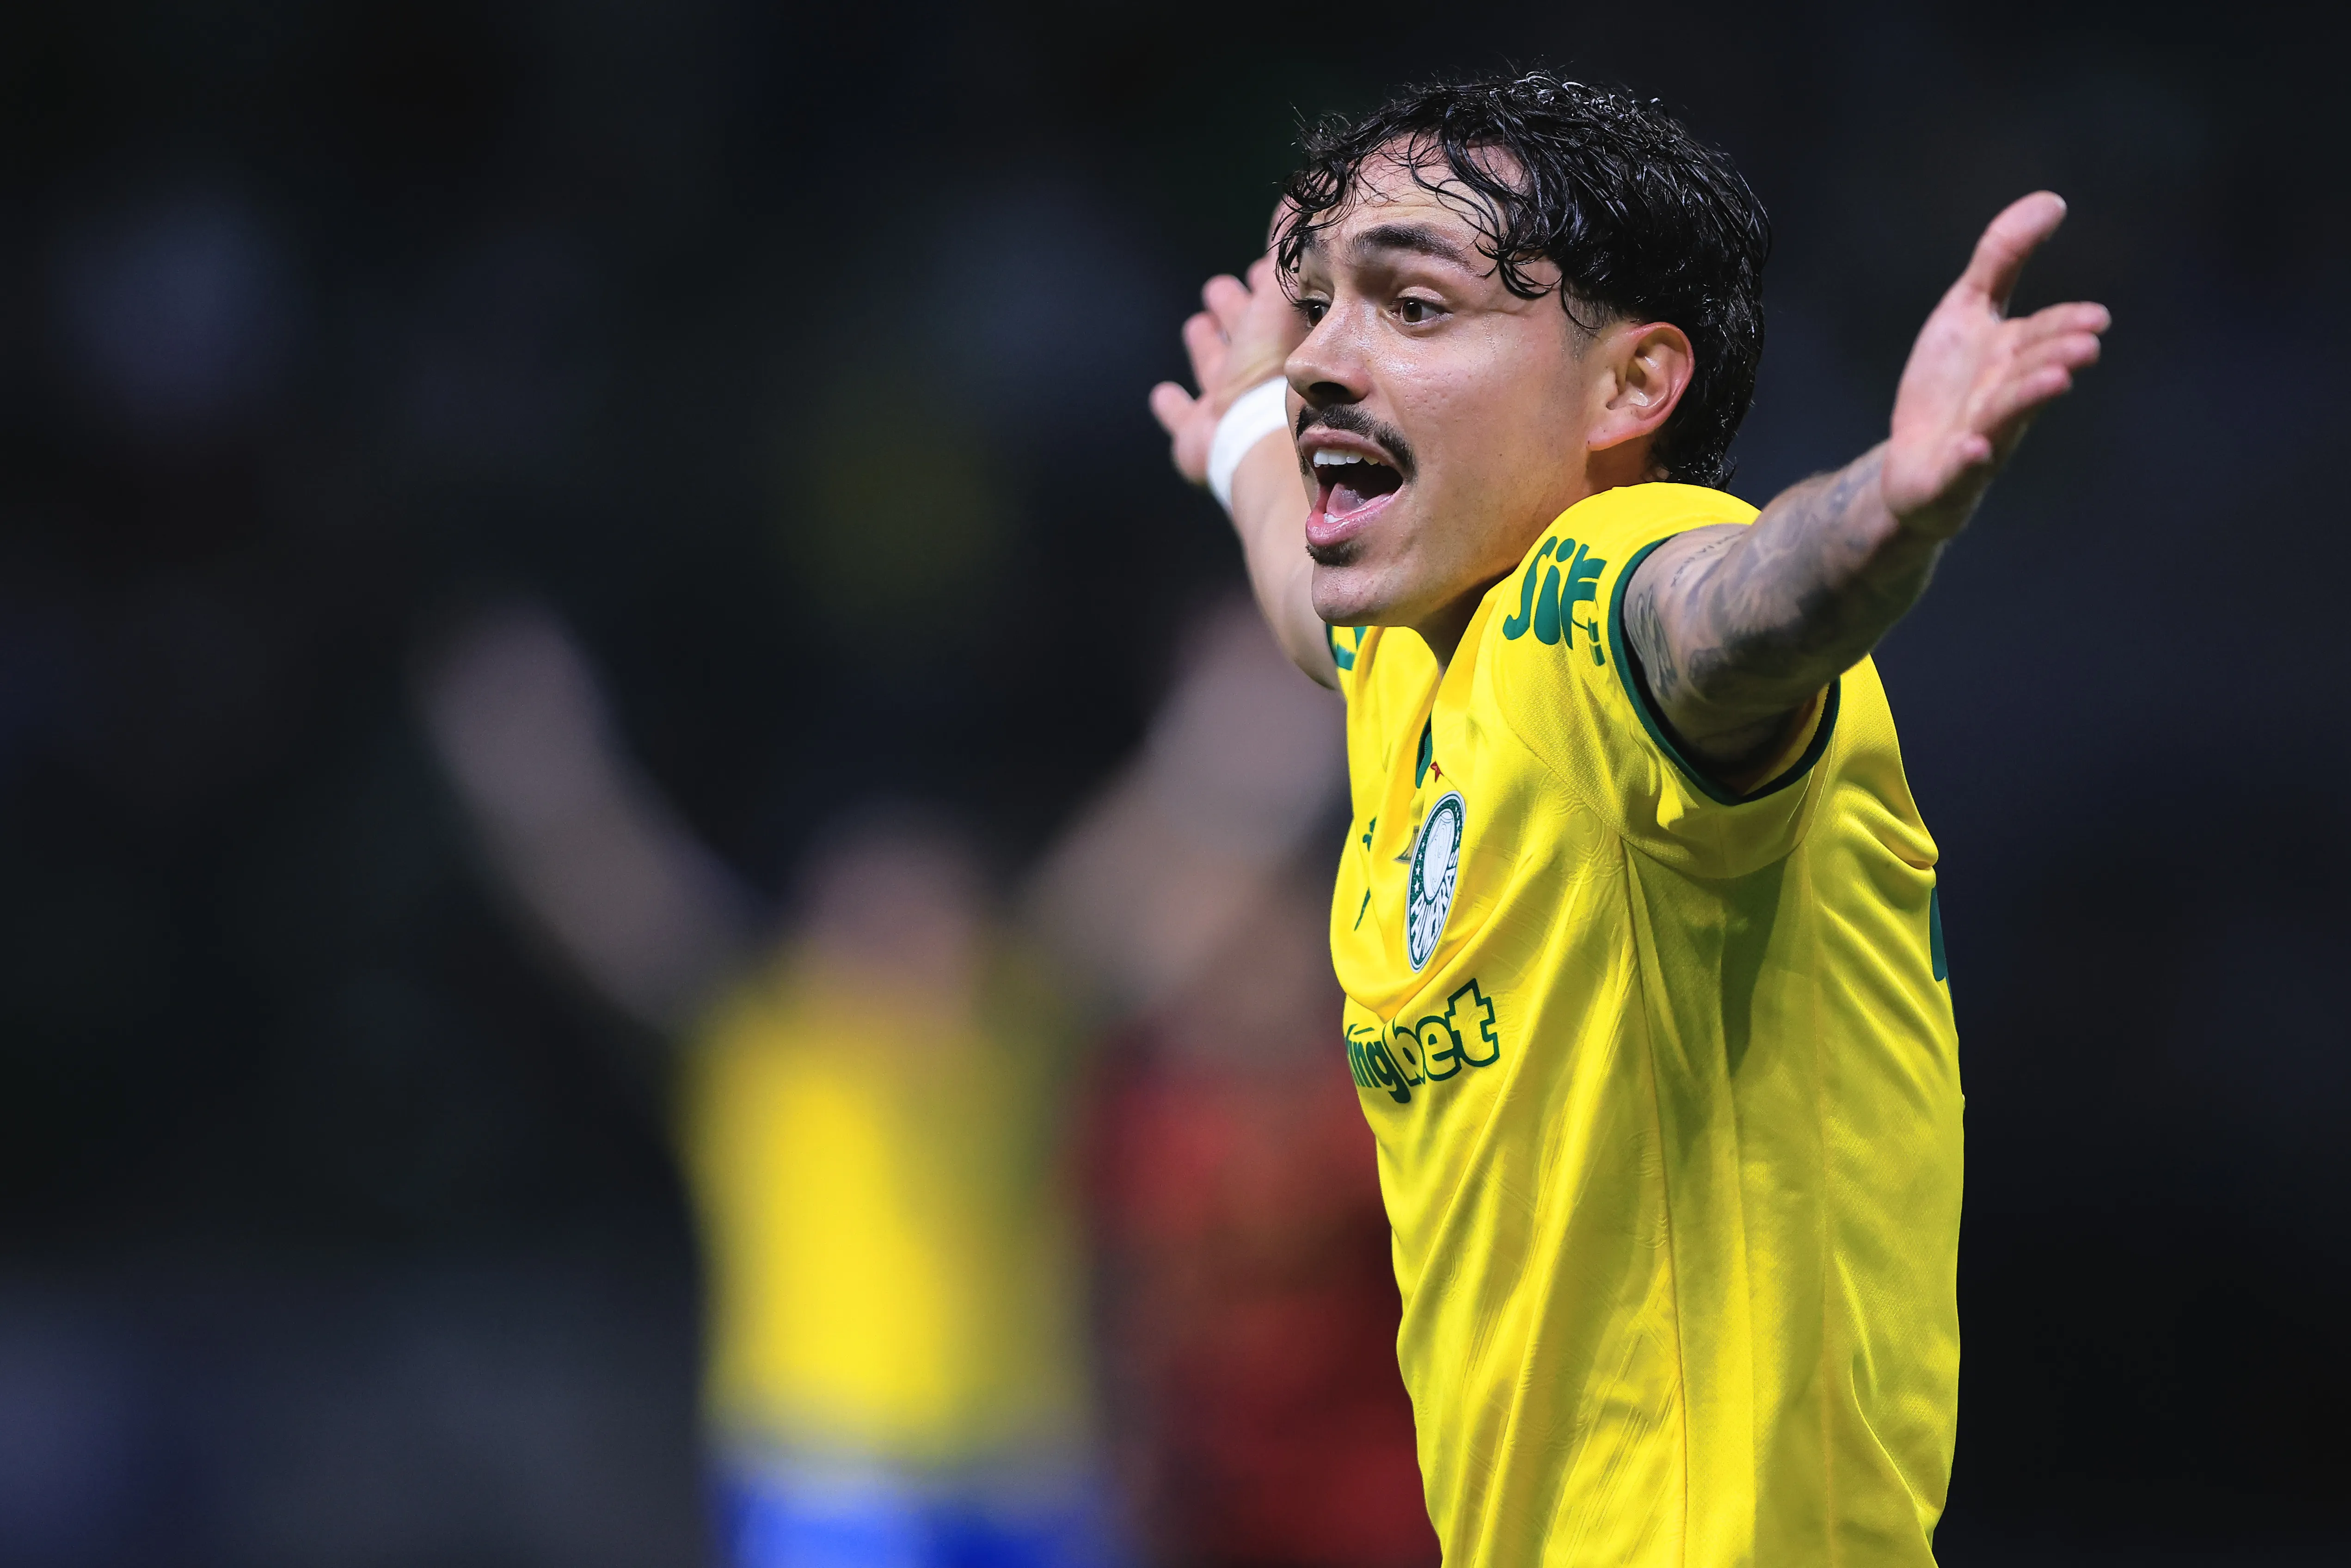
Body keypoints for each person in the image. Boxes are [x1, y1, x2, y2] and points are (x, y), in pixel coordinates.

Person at [1148, 73, 2108, 1564]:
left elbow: (1724, 621)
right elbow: (1300, 585)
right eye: (1318, 302)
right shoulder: (1415, 655)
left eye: (1412, 306)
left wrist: (1880, 513)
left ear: (1627, 389)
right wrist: (1239, 438)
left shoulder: (1615, 574)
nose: (1328, 355)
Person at [417, 599, 1344, 1568]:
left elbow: (1147, 861)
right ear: (818, 930)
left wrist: (1241, 724)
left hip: (1030, 1470)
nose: (912, 942)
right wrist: (532, 765)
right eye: (877, 917)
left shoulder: (1020, 1029)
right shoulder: (766, 1045)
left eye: (937, 911)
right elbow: (610, 887)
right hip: (835, 1481)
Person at [1083, 873, 1436, 1568]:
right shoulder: (1141, 1116)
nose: (1245, 977)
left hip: (1378, 1478)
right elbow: (1120, 1301)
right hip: (1216, 1485)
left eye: (1264, 950)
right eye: (1218, 956)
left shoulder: (1373, 1099)